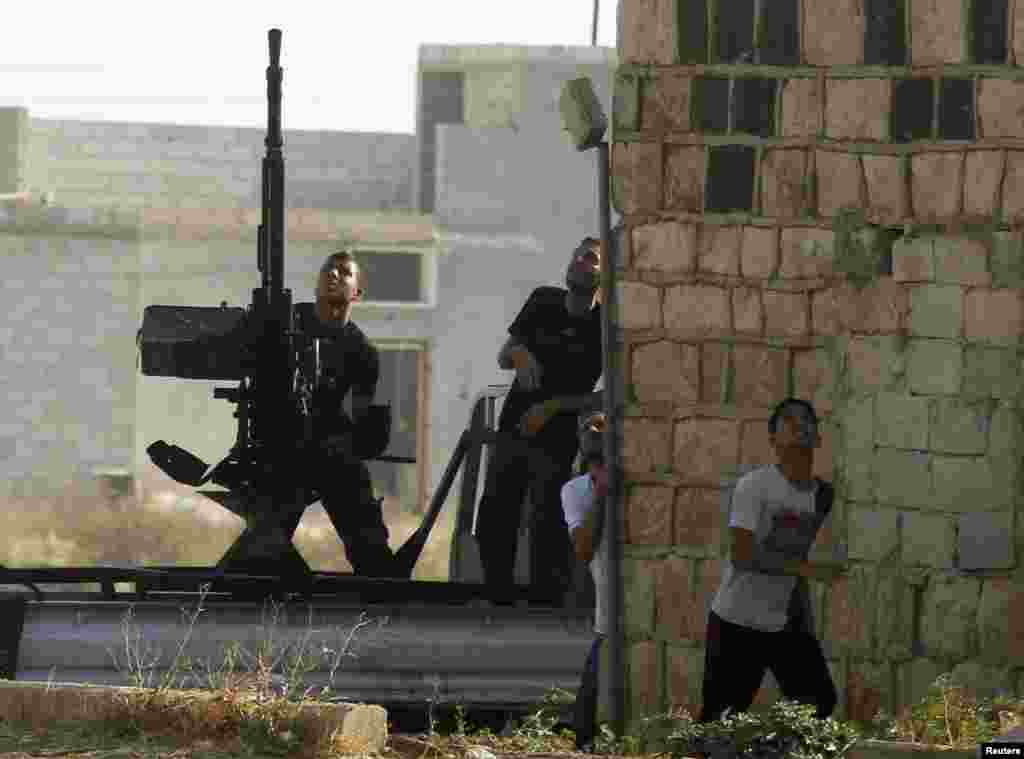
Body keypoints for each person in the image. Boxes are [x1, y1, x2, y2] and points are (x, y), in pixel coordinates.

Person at [474, 237, 605, 605]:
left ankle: (545, 602)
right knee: (496, 511)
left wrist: (553, 406)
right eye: (577, 254)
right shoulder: (542, 301)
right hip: (514, 426)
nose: (580, 261)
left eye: (591, 258)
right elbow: (504, 354)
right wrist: (520, 354)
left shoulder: (604, 325)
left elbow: (606, 395)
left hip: (559, 437)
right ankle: (495, 594)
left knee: (548, 517)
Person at [699, 398, 843, 727]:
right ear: (772, 439)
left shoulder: (823, 496)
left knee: (818, 703)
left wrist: (803, 618)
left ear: (819, 437)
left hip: (783, 625)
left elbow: (802, 560)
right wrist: (808, 570)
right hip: (737, 622)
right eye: (788, 420)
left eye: (807, 419)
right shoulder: (755, 486)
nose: (799, 425)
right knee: (719, 720)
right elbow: (742, 554)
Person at [279, 250, 403, 578]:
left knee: (373, 556)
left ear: (356, 292)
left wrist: (359, 440)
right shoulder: (285, 323)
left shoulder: (362, 352)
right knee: (264, 543)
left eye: (344, 272)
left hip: (330, 451)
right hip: (280, 447)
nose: (333, 275)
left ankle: (382, 591)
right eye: (327, 269)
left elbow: (364, 419)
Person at [561, 411, 610, 752]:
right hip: (608, 602)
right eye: (587, 427)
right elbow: (582, 548)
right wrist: (603, 493)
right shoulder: (576, 490)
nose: (593, 431)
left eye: (601, 425)